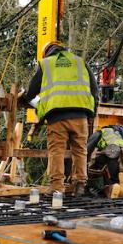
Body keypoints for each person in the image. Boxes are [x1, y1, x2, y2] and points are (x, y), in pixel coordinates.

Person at [21, 41, 99, 197]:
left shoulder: (46, 64)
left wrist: (25, 98)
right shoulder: (79, 61)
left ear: (46, 52)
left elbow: (31, 92)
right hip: (81, 115)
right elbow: (94, 90)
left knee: (57, 151)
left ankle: (57, 188)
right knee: (80, 150)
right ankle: (79, 185)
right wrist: (92, 114)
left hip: (57, 117)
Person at [86, 124, 123, 198]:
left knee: (100, 161)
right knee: (122, 167)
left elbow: (87, 149)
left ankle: (111, 185)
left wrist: (87, 163)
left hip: (113, 155)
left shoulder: (101, 132)